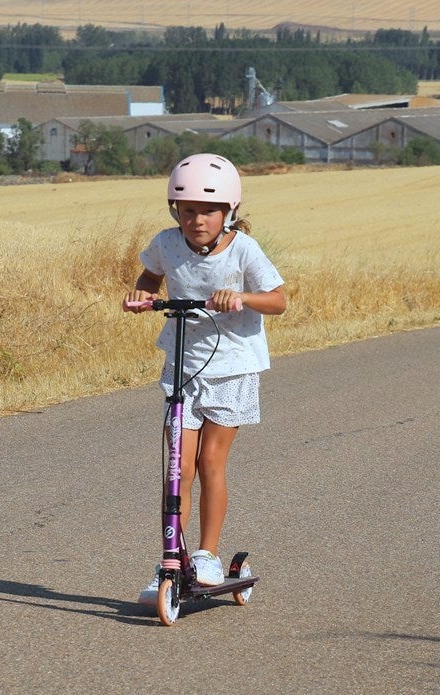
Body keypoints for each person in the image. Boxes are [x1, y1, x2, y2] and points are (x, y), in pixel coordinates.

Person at [123, 153, 287, 603]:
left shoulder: (243, 249)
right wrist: (142, 295)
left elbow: (278, 301)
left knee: (211, 463)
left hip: (232, 367)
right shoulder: (166, 242)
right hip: (183, 367)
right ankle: (171, 562)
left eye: (208, 211)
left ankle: (208, 554)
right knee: (178, 468)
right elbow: (151, 276)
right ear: (175, 210)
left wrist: (242, 297)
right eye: (188, 210)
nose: (197, 220)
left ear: (228, 212)